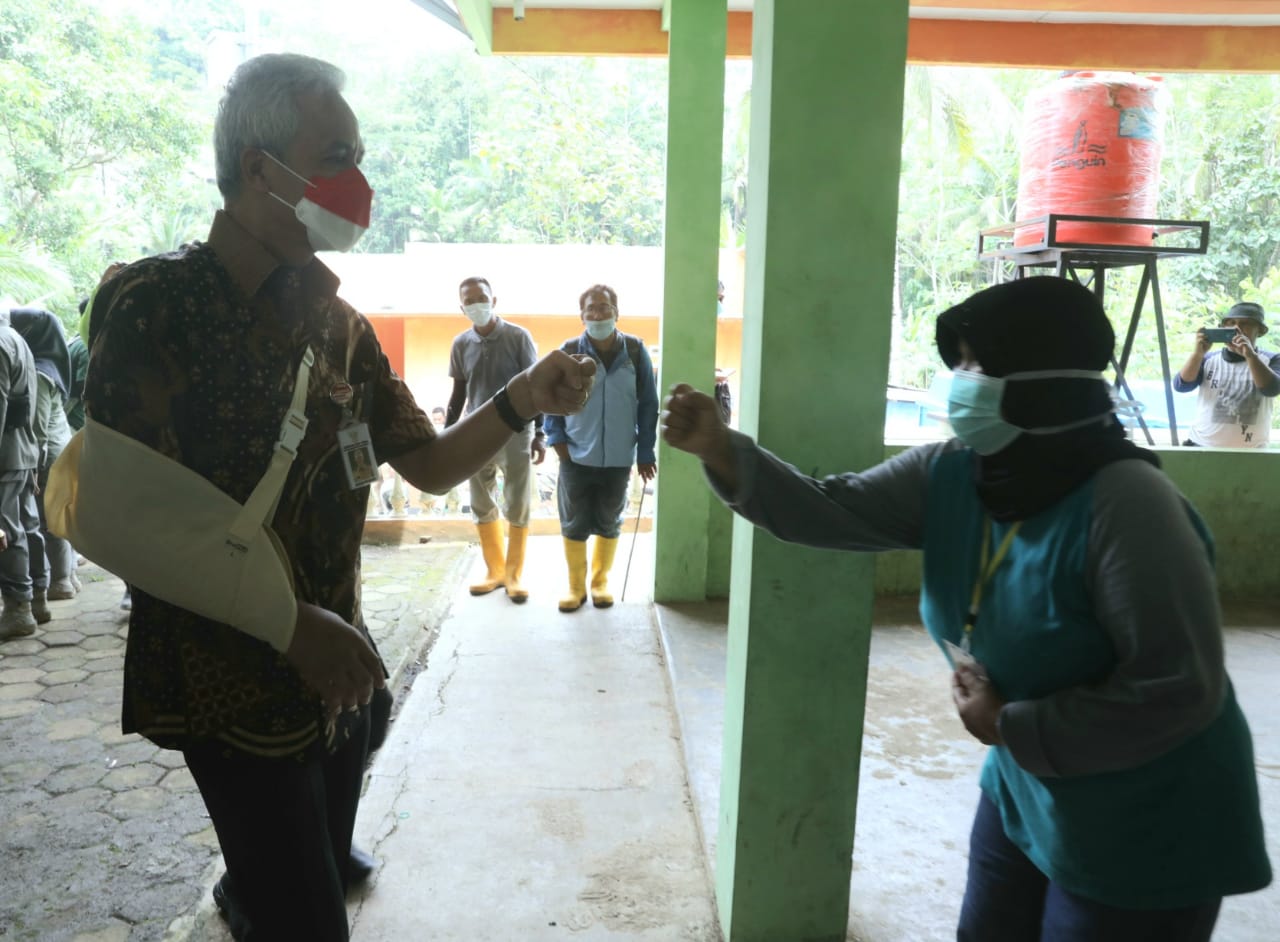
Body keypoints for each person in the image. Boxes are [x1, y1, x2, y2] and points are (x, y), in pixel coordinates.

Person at [82, 53, 594, 942]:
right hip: (227, 678)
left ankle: (252, 899)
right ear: (258, 170)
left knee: (303, 874)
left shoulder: (339, 327)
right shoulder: (150, 305)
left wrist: (524, 400)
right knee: (311, 923)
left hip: (338, 672)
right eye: (334, 156)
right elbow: (125, 517)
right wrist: (287, 627)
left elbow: (429, 466)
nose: (354, 182)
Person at [661, 276, 1271, 941]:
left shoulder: (1129, 507)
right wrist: (720, 448)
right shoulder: (955, 469)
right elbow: (829, 508)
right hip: (1026, 788)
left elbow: (1177, 691)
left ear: (1041, 381)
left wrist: (1011, 723)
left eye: (974, 366)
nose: (958, 381)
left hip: (1147, 821)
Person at [545, 284, 658, 612]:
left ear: (616, 312)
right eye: (591, 308)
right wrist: (557, 440)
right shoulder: (567, 352)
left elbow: (648, 404)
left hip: (620, 456)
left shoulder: (635, 351)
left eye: (604, 307)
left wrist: (646, 452)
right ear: (581, 315)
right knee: (574, 521)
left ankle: (599, 583)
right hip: (576, 453)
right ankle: (576, 588)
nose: (597, 314)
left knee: (610, 519)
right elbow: (550, 398)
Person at [446, 276, 545, 603]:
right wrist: (447, 435)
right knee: (480, 501)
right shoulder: (461, 344)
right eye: (469, 300)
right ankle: (495, 571)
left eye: (481, 297)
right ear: (461, 307)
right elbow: (458, 393)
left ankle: (514, 574)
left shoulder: (519, 338)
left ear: (494, 300)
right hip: (475, 432)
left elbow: (537, 389)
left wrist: (540, 434)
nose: (476, 304)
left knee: (517, 501)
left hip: (517, 431)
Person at [9, 307, 78, 603]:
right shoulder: (51, 366)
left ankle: (61, 581)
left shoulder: (37, 371)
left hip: (46, 456)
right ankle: (67, 576)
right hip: (61, 450)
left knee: (47, 521)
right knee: (57, 517)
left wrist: (33, 468)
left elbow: (35, 426)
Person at [1173, 301, 1280, 447]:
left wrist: (1250, 355)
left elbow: (1271, 389)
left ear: (1260, 331)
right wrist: (1197, 354)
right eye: (1231, 323)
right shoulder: (1207, 359)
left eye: (1245, 324)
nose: (1237, 328)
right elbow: (1182, 386)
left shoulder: (1272, 359)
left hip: (1252, 450)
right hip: (1201, 445)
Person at [0, 306, 42, 640]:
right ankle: (37, 599)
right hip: (22, 449)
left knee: (6, 529)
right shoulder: (16, 338)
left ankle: (18, 608)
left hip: (7, 454)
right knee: (26, 525)